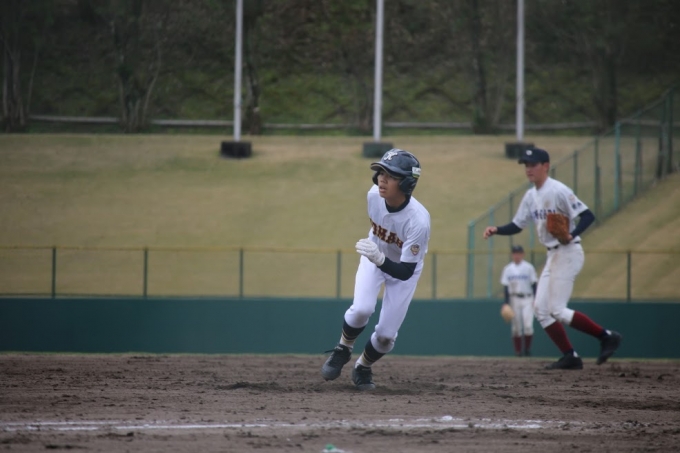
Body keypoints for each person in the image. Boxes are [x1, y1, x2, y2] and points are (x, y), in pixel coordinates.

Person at [483, 147, 622, 370]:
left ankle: (606, 336)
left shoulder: (558, 190)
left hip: (569, 252)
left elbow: (588, 216)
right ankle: (570, 356)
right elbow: (518, 225)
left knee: (557, 309)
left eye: (533, 164)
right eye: (526, 165)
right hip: (553, 254)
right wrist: (496, 229)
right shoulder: (531, 195)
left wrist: (572, 234)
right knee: (541, 309)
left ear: (546, 166)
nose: (528, 169)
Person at [321, 149, 431, 390]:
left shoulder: (419, 221)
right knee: (361, 309)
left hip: (403, 269)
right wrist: (377, 258)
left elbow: (405, 271)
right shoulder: (373, 195)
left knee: (386, 337)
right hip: (374, 256)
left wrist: (380, 259)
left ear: (407, 183)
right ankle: (343, 348)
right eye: (381, 173)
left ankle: (363, 366)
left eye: (391, 175)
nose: (382, 179)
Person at [500, 245, 538, 357]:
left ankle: (527, 350)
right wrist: (506, 303)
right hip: (514, 299)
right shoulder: (508, 269)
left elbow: (534, 284)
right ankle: (518, 352)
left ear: (523, 254)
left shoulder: (528, 267)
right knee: (516, 327)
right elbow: (506, 287)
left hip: (528, 298)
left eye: (519, 253)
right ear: (512, 255)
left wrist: (536, 299)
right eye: (515, 253)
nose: (517, 255)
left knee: (528, 326)